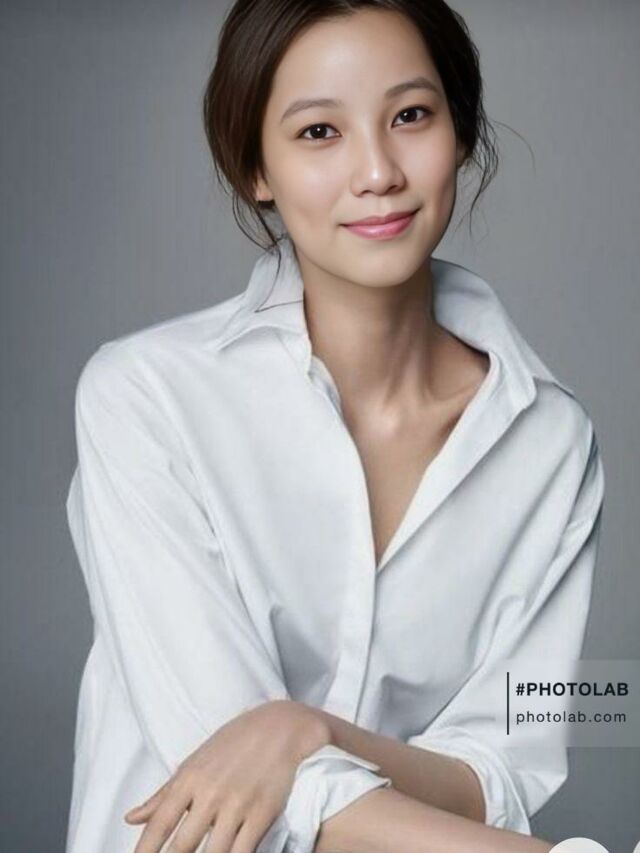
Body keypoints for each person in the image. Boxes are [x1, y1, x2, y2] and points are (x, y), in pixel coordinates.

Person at [64, 2, 605, 852]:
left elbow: (498, 772)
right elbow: (235, 784)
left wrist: (310, 730)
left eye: (411, 116)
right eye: (319, 132)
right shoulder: (146, 400)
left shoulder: (551, 444)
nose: (378, 171)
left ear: (462, 131)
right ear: (256, 166)